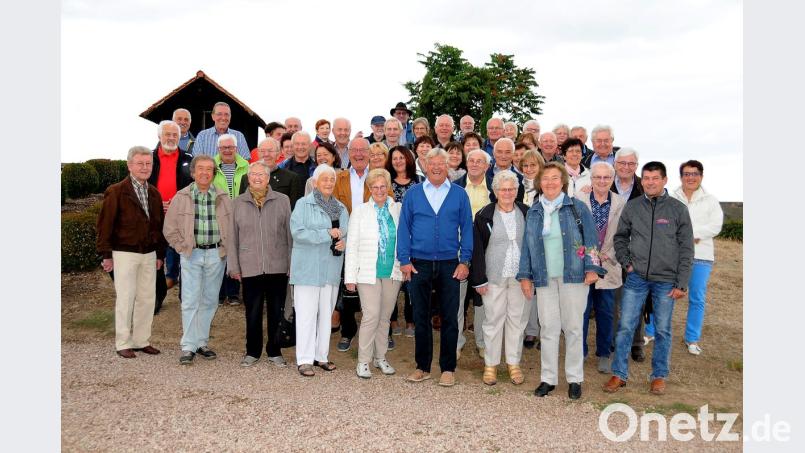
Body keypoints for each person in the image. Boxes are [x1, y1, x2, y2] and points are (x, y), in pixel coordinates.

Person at [517, 162, 605, 400]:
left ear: (563, 181)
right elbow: (527, 246)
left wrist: (592, 268)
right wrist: (525, 276)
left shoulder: (576, 207)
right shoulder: (534, 211)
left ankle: (575, 379)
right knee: (548, 328)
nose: (550, 183)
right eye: (545, 179)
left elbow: (592, 239)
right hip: (545, 277)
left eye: (555, 178)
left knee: (574, 328)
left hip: (574, 276)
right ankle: (548, 379)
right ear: (539, 183)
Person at [604, 161, 694, 395]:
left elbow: (686, 249)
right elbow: (620, 238)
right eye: (646, 178)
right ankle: (619, 374)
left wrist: (681, 282)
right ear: (641, 181)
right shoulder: (633, 207)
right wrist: (627, 264)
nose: (650, 182)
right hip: (636, 278)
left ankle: (659, 376)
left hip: (666, 280)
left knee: (663, 329)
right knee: (625, 327)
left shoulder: (677, 209)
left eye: (655, 178)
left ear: (665, 180)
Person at [398, 148, 473, 387]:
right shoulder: (413, 193)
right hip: (419, 263)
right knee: (421, 316)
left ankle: (448, 368)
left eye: (442, 164)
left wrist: (465, 261)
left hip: (450, 263)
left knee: (450, 316)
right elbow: (404, 228)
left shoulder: (460, 195)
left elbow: (467, 230)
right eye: (433, 164)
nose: (438, 168)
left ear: (448, 166)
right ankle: (422, 366)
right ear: (425, 165)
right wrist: (405, 260)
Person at [643, 160, 723, 356]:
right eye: (686, 174)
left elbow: (715, 226)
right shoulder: (671, 197)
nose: (690, 177)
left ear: (701, 176)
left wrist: (690, 235)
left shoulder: (710, 200)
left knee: (696, 298)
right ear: (681, 177)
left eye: (694, 174)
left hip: (701, 256)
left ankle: (692, 338)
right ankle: (651, 332)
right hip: (671, 255)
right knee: (660, 294)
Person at [96, 146, 166, 358]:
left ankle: (141, 340)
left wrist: (160, 254)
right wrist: (106, 254)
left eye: (148, 164)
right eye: (140, 163)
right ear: (129, 165)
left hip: (149, 254)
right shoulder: (116, 191)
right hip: (123, 253)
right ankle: (123, 342)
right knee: (126, 298)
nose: (145, 168)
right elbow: (105, 224)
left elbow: (158, 226)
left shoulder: (154, 193)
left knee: (146, 298)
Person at [163, 155, 234, 365]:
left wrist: (225, 248)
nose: (205, 172)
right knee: (190, 300)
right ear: (193, 173)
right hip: (191, 254)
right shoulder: (181, 197)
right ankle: (188, 345)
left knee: (210, 299)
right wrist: (181, 247)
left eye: (209, 169)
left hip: (215, 254)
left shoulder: (223, 197)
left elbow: (231, 227)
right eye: (200, 169)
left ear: (214, 173)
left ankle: (201, 342)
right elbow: (170, 229)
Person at [227, 161, 292, 367]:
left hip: (277, 266)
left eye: (261, 175)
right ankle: (252, 351)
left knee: (276, 311)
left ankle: (274, 350)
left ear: (268, 178)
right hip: (250, 266)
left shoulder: (283, 200)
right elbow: (232, 237)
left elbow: (289, 236)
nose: (257, 178)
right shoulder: (237, 203)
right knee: (252, 312)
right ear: (248, 177)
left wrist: (291, 264)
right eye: (253, 174)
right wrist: (234, 266)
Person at [470, 171, 530, 386]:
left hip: (519, 277)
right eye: (503, 189)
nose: (507, 193)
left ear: (516, 191)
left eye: (511, 189)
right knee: (493, 320)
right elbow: (477, 250)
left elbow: (532, 246)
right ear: (495, 191)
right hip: (493, 276)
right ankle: (491, 365)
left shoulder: (526, 212)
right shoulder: (484, 215)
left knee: (517, 320)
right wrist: (479, 279)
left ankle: (514, 364)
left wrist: (529, 275)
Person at [290, 164, 349, 376]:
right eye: (324, 179)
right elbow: (298, 233)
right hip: (307, 269)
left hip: (330, 269)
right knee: (306, 315)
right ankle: (304, 359)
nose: (328, 183)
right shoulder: (303, 204)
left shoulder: (341, 208)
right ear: (315, 182)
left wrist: (344, 243)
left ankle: (321, 356)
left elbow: (345, 233)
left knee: (326, 315)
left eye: (331, 179)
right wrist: (327, 234)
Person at [344, 168, 403, 378]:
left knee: (385, 317)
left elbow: (404, 240)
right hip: (367, 272)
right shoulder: (360, 211)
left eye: (382, 186)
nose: (379, 190)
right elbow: (351, 245)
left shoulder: (398, 209)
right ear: (369, 189)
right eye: (374, 187)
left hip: (392, 272)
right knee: (371, 315)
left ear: (388, 187)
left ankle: (380, 358)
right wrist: (350, 277)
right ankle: (363, 361)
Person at [579, 162, 625, 374]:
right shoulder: (579, 199)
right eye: (597, 177)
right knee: (581, 311)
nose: (602, 181)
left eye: (606, 178)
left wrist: (609, 254)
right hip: (583, 266)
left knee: (607, 313)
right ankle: (580, 351)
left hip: (609, 265)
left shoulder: (621, 203)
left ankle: (605, 353)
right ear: (591, 179)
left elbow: (625, 235)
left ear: (612, 179)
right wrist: (584, 253)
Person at [149, 120, 193, 313]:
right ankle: (157, 298)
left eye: (174, 135)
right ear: (159, 136)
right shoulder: (148, 158)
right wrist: (158, 204)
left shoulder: (189, 158)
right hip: (154, 217)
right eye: (167, 134)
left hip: (181, 217)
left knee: (185, 256)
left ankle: (187, 299)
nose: (171, 138)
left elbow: (194, 187)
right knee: (156, 259)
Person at [610, 146, 648, 362]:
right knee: (614, 300)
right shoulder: (605, 183)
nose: (626, 167)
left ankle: (636, 343)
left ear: (636, 166)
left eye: (631, 164)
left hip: (637, 252)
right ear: (615, 164)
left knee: (636, 298)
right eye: (622, 163)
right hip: (612, 250)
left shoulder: (646, 186)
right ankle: (616, 341)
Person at [385, 145, 421, 337]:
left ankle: (410, 320)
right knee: (391, 279)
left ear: (408, 159)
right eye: (394, 158)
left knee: (410, 280)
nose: (398, 161)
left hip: (414, 237)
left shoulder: (419, 182)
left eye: (401, 157)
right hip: (390, 236)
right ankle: (392, 319)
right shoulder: (387, 183)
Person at [213, 134, 249, 306]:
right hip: (217, 214)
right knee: (219, 254)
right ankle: (218, 293)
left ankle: (233, 292)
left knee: (236, 251)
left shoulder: (246, 166)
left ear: (236, 149)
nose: (227, 150)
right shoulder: (211, 166)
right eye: (223, 147)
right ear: (218, 149)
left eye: (230, 147)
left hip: (239, 213)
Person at [516, 149, 545, 349]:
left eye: (533, 165)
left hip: (542, 242)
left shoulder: (546, 187)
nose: (529, 169)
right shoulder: (516, 187)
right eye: (525, 165)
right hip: (519, 241)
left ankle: (544, 331)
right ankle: (531, 330)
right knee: (527, 287)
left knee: (543, 289)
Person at [239, 137, 302, 209]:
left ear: (278, 154)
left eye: (270, 151)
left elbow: (294, 209)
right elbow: (241, 206)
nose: (266, 154)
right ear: (258, 154)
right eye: (262, 151)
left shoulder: (292, 178)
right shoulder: (246, 178)